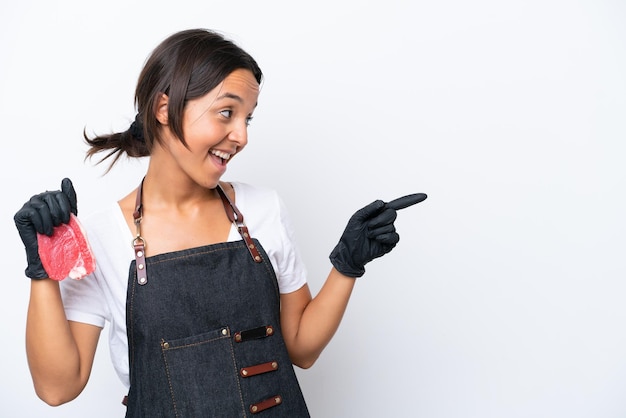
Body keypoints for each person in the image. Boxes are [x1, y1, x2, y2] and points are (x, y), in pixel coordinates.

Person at [14, 28, 427, 417]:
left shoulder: (263, 209)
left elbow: (301, 348)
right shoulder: (104, 235)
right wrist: (43, 271)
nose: (242, 135)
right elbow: (58, 388)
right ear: (163, 107)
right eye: (227, 112)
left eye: (248, 118)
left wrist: (346, 266)